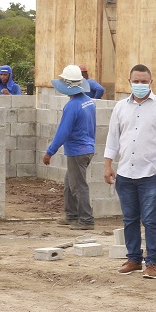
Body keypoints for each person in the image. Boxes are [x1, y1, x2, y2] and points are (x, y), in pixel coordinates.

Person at [104, 64, 156, 279]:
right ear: (129, 82)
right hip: (126, 172)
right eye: (136, 81)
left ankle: (154, 262)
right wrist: (108, 164)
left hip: (151, 174)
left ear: (151, 82)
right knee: (129, 219)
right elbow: (113, 138)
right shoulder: (120, 107)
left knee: (150, 220)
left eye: (144, 81)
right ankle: (134, 259)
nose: (140, 85)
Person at [44, 65, 97, 230]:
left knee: (78, 186)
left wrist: (50, 152)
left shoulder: (72, 106)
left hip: (77, 151)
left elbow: (62, 132)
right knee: (69, 183)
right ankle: (71, 215)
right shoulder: (88, 101)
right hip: (87, 149)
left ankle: (86, 220)